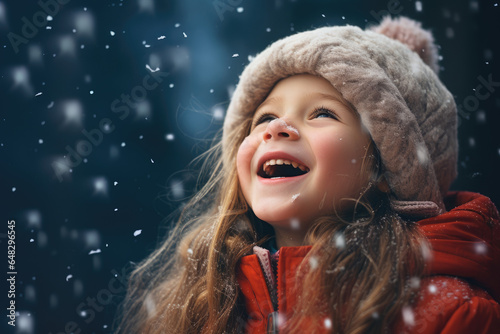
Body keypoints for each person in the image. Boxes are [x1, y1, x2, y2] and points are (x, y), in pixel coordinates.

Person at [114, 17, 500, 333]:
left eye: (322, 113)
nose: (277, 127)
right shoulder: (203, 309)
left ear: (387, 168)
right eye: (264, 117)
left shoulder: (450, 315)